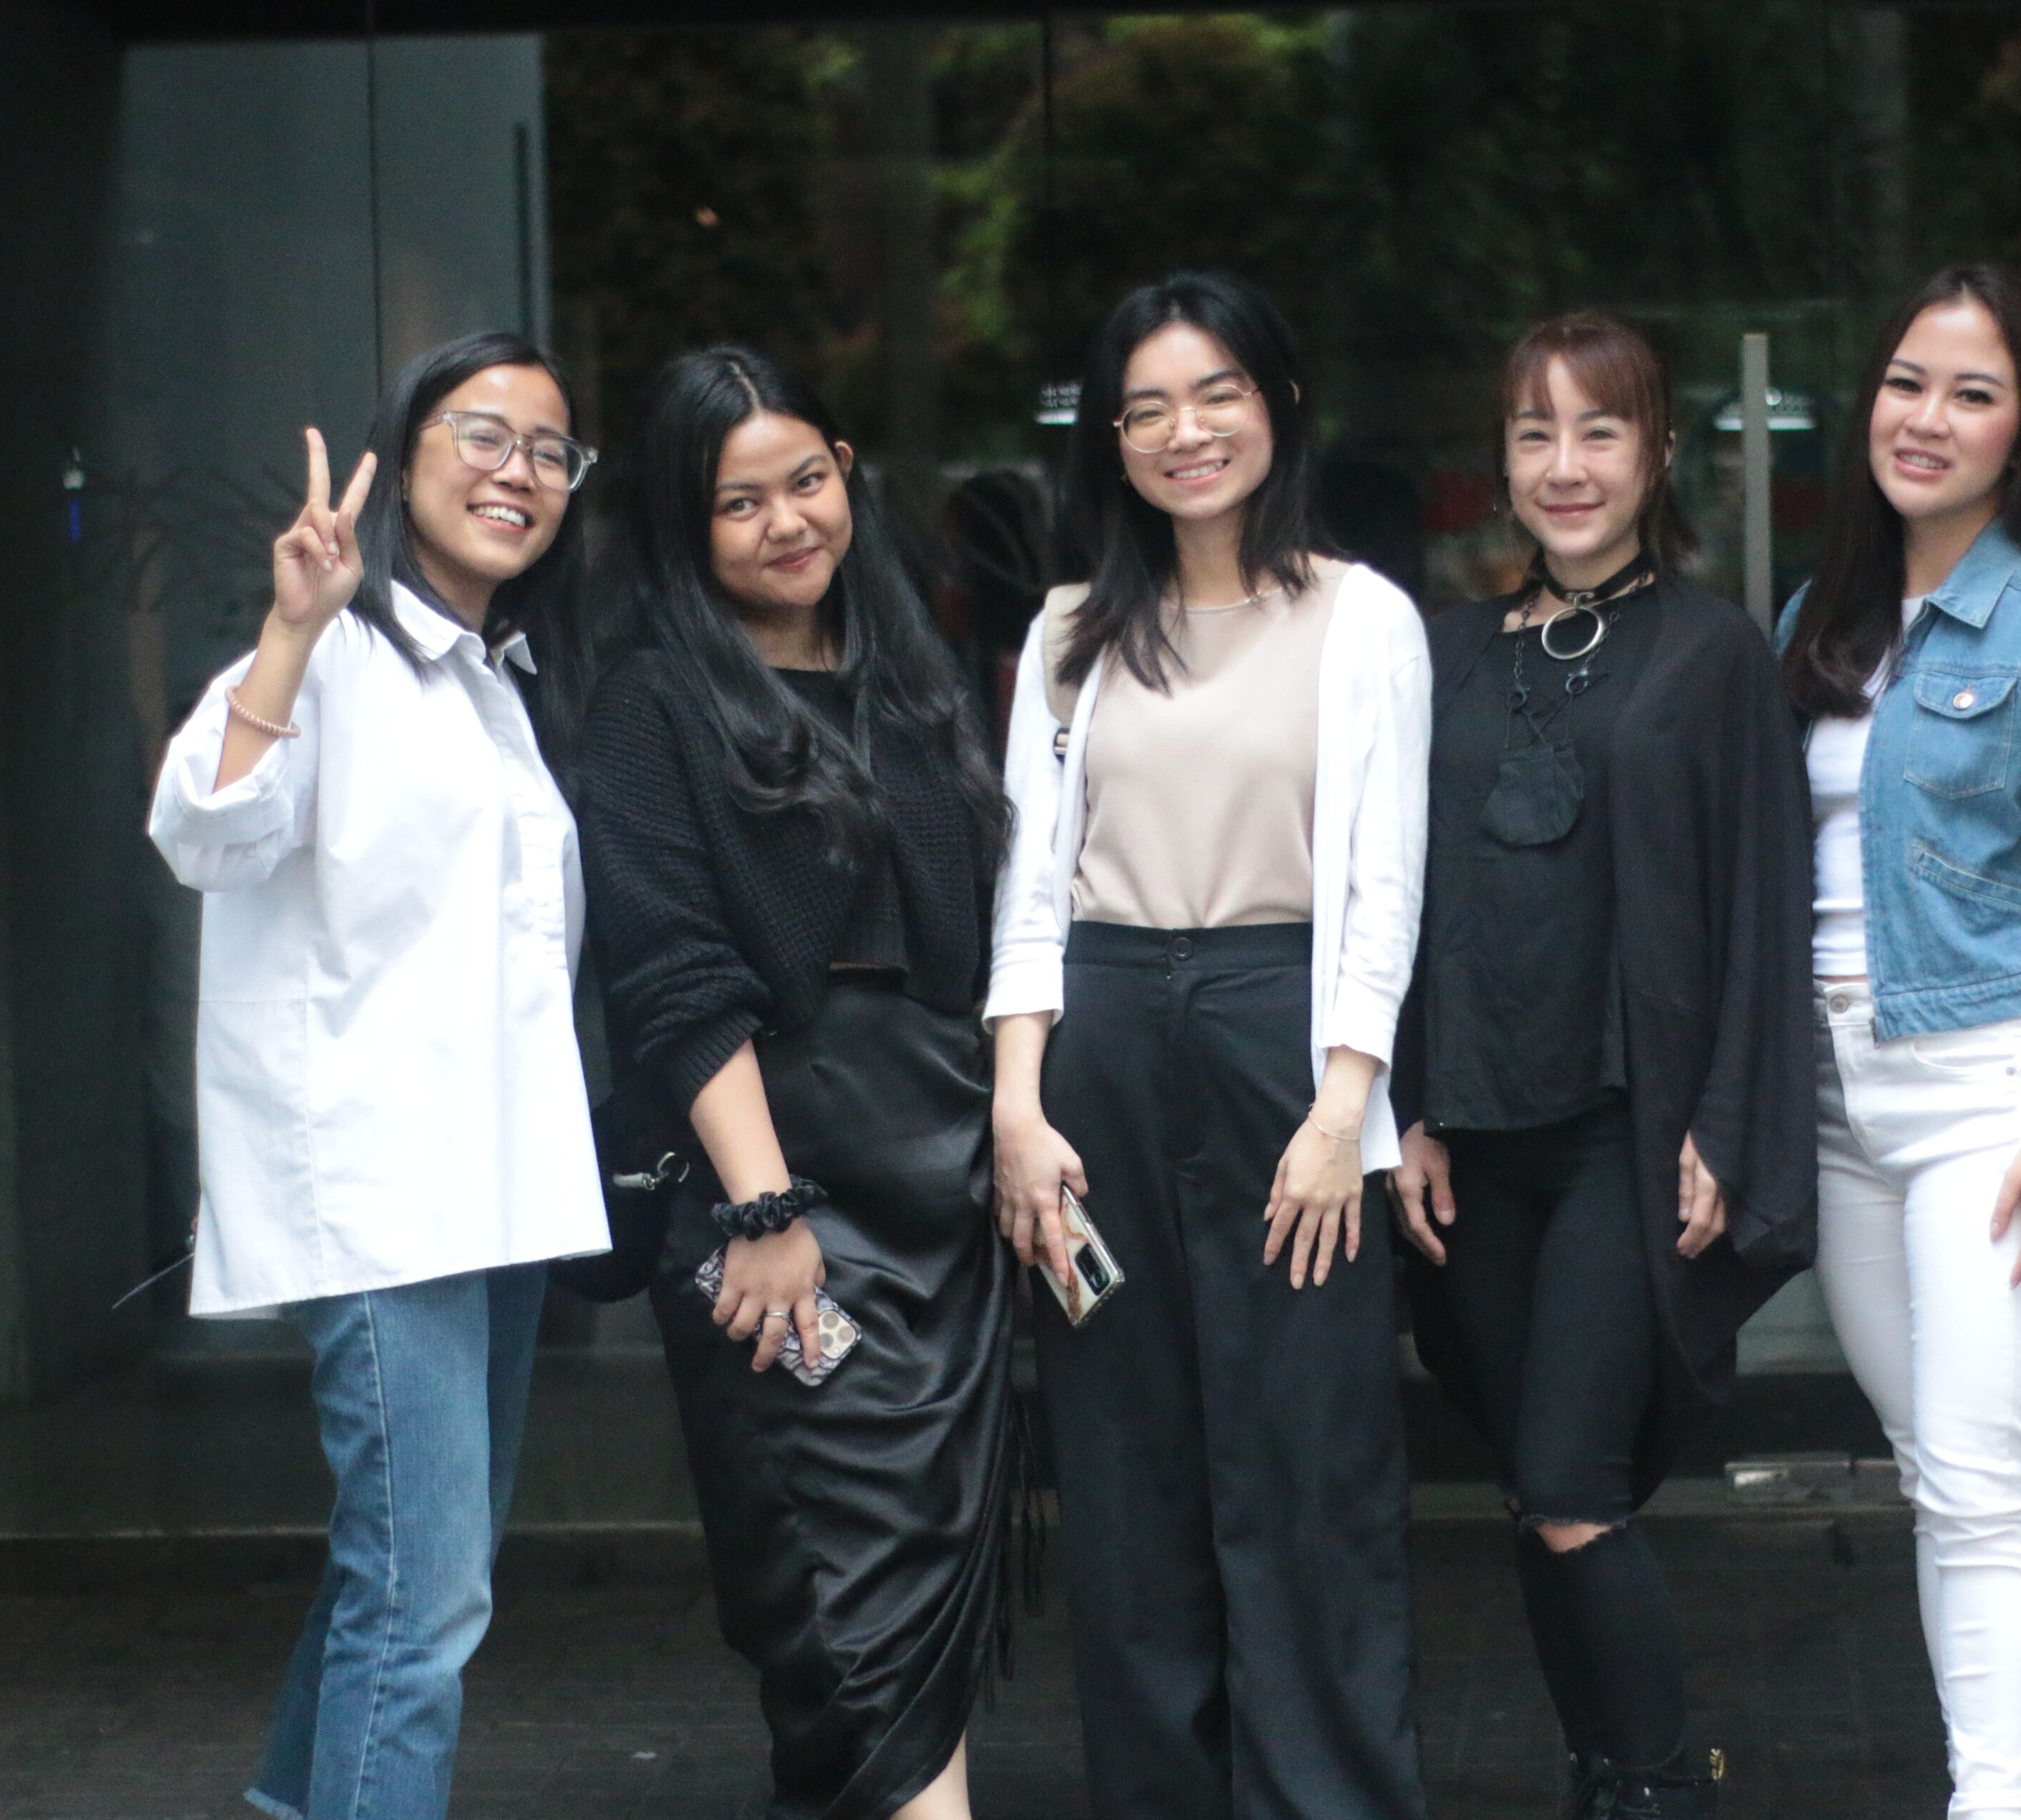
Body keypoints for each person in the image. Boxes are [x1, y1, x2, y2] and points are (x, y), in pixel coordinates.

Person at [986, 271, 1431, 1820]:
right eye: (1149, 406)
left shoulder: (1362, 615)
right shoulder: (1068, 635)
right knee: (1125, 1480)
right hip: (1097, 1055)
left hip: (1283, 1039)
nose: (1189, 432)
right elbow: (1030, 887)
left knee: (1308, 1473)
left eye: (1218, 392)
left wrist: (1343, 1109)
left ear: (1279, 404)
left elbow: (1386, 881)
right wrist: (1017, 1108)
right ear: (1111, 439)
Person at [148, 331, 607, 1820]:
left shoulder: (492, 679)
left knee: (408, 1572)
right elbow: (205, 830)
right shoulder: (334, 652)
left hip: (492, 1196)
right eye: (482, 435)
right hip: (379, 1193)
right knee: (425, 1602)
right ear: (403, 458)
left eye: (548, 449)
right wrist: (289, 630)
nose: (517, 471)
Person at [573, 346, 1017, 1820]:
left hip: (941, 1199)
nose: (785, 521)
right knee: (845, 1604)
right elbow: (676, 980)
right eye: (736, 501)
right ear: (684, 529)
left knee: (922, 1595)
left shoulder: (913, 682)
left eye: (805, 481)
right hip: (787, 1204)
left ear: (847, 471)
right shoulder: (653, 705)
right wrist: (765, 1206)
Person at [1387, 311, 1818, 1819]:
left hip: (1624, 1136)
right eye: (1534, 434)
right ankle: (1603, 1773)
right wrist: (1409, 1106)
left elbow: (1764, 909)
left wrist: (1728, 1119)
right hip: (1475, 1139)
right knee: (1539, 1492)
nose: (1565, 467)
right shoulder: (1440, 649)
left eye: (1600, 432)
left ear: (1658, 455)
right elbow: (1401, 896)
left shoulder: (1710, 653)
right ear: (1498, 459)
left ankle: (1652, 1784)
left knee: (1571, 1484)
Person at [1781, 264, 2021, 1819]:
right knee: (1935, 1468)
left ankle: (1994, 1802)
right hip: (1828, 1102)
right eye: (1907, 382)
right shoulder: (1822, 617)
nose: (1927, 419)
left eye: (1974, 392)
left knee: (1979, 1478)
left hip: (1985, 1096)